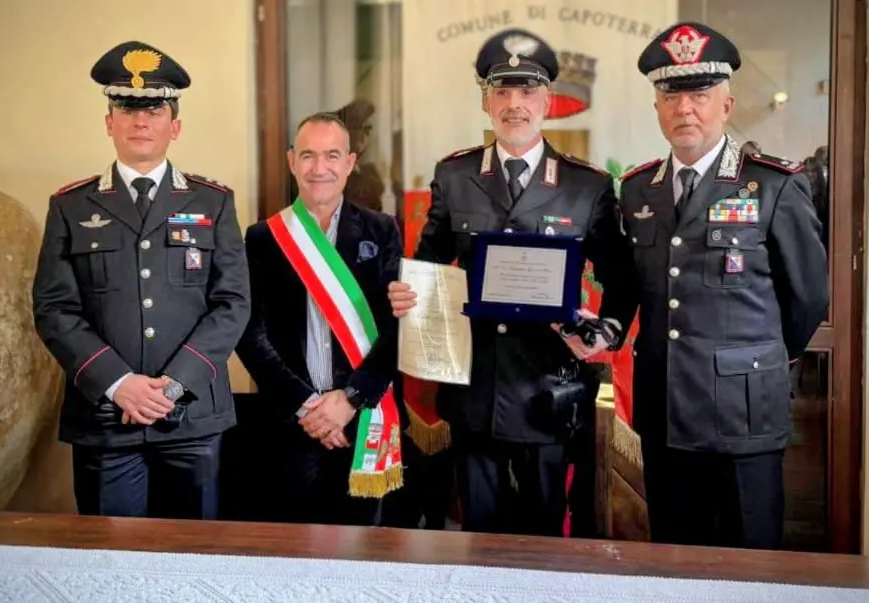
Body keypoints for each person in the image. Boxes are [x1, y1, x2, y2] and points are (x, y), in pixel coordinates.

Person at [387, 28, 638, 537]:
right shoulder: (456, 176)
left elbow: (621, 275)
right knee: (477, 529)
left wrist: (605, 332)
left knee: (543, 532)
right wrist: (408, 288)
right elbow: (432, 260)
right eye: (502, 91)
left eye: (527, 92)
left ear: (547, 101)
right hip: (475, 383)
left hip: (548, 387)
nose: (514, 105)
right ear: (486, 102)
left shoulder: (584, 185)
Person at [589, 22, 827, 549]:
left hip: (743, 411)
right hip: (665, 407)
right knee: (674, 555)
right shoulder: (637, 189)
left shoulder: (774, 184)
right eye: (671, 96)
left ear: (727, 103)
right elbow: (630, 284)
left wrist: (756, 360)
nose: (685, 109)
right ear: (656, 107)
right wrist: (605, 329)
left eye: (700, 94)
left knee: (750, 560)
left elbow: (808, 297)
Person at [32, 41, 251, 519]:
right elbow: (54, 309)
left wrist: (173, 386)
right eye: (126, 108)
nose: (140, 121)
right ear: (109, 122)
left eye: (153, 109)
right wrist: (119, 384)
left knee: (193, 566)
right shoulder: (71, 206)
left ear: (175, 126)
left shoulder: (213, 203)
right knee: (111, 566)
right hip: (107, 420)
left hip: (191, 418)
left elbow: (232, 303)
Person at [236, 112, 405, 526]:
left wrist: (348, 401)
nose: (319, 168)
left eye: (332, 155)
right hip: (292, 423)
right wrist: (310, 406)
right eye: (308, 156)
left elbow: (398, 328)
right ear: (292, 161)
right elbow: (250, 335)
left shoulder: (382, 231)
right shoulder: (264, 237)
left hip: (364, 416)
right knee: (291, 558)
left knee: (365, 556)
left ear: (349, 163)